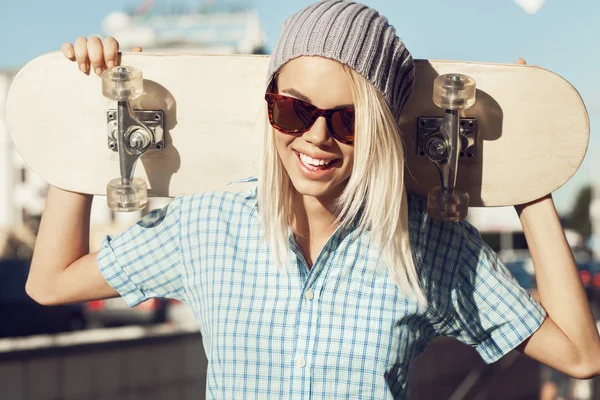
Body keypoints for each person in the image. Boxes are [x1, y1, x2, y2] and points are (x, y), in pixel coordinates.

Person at [26, 0, 600, 398]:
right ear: (269, 106)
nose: (317, 137)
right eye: (295, 110)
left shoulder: (425, 245)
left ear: (378, 128)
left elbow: (579, 353)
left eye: (347, 120)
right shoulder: (208, 225)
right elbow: (50, 282)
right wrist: (84, 129)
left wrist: (530, 174)